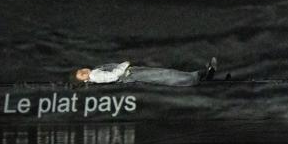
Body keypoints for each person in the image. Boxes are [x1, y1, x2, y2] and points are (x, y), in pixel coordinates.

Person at [71, 57, 217, 87]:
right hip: (130, 73)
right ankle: (199, 75)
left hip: (132, 72)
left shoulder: (95, 70)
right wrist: (124, 65)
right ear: (84, 79)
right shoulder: (95, 75)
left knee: (164, 74)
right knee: (165, 76)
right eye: (82, 74)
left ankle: (201, 75)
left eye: (81, 70)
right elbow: (113, 76)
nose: (83, 71)